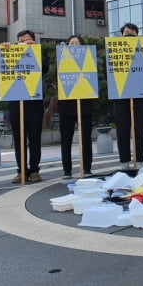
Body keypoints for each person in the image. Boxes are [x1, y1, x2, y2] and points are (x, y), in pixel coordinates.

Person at [4, 30, 48, 183]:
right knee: (18, 138)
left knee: (35, 138)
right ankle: (21, 170)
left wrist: (35, 49)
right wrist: (5, 50)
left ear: (34, 41)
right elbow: (3, 71)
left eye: (28, 40)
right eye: (21, 40)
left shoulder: (37, 54)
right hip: (16, 102)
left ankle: (34, 170)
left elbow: (46, 68)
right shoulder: (11, 52)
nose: (24, 43)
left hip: (34, 102)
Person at [114, 23, 143, 169]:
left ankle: (139, 160)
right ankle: (124, 161)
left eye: (132, 33)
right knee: (122, 130)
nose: (128, 35)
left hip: (139, 97)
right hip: (120, 97)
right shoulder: (114, 51)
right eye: (126, 33)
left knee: (139, 129)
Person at [58, 35, 93, 178]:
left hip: (84, 104)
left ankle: (87, 168)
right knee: (66, 139)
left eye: (76, 43)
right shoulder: (61, 60)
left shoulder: (89, 59)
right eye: (70, 43)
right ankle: (67, 170)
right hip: (66, 105)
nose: (73, 46)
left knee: (85, 138)